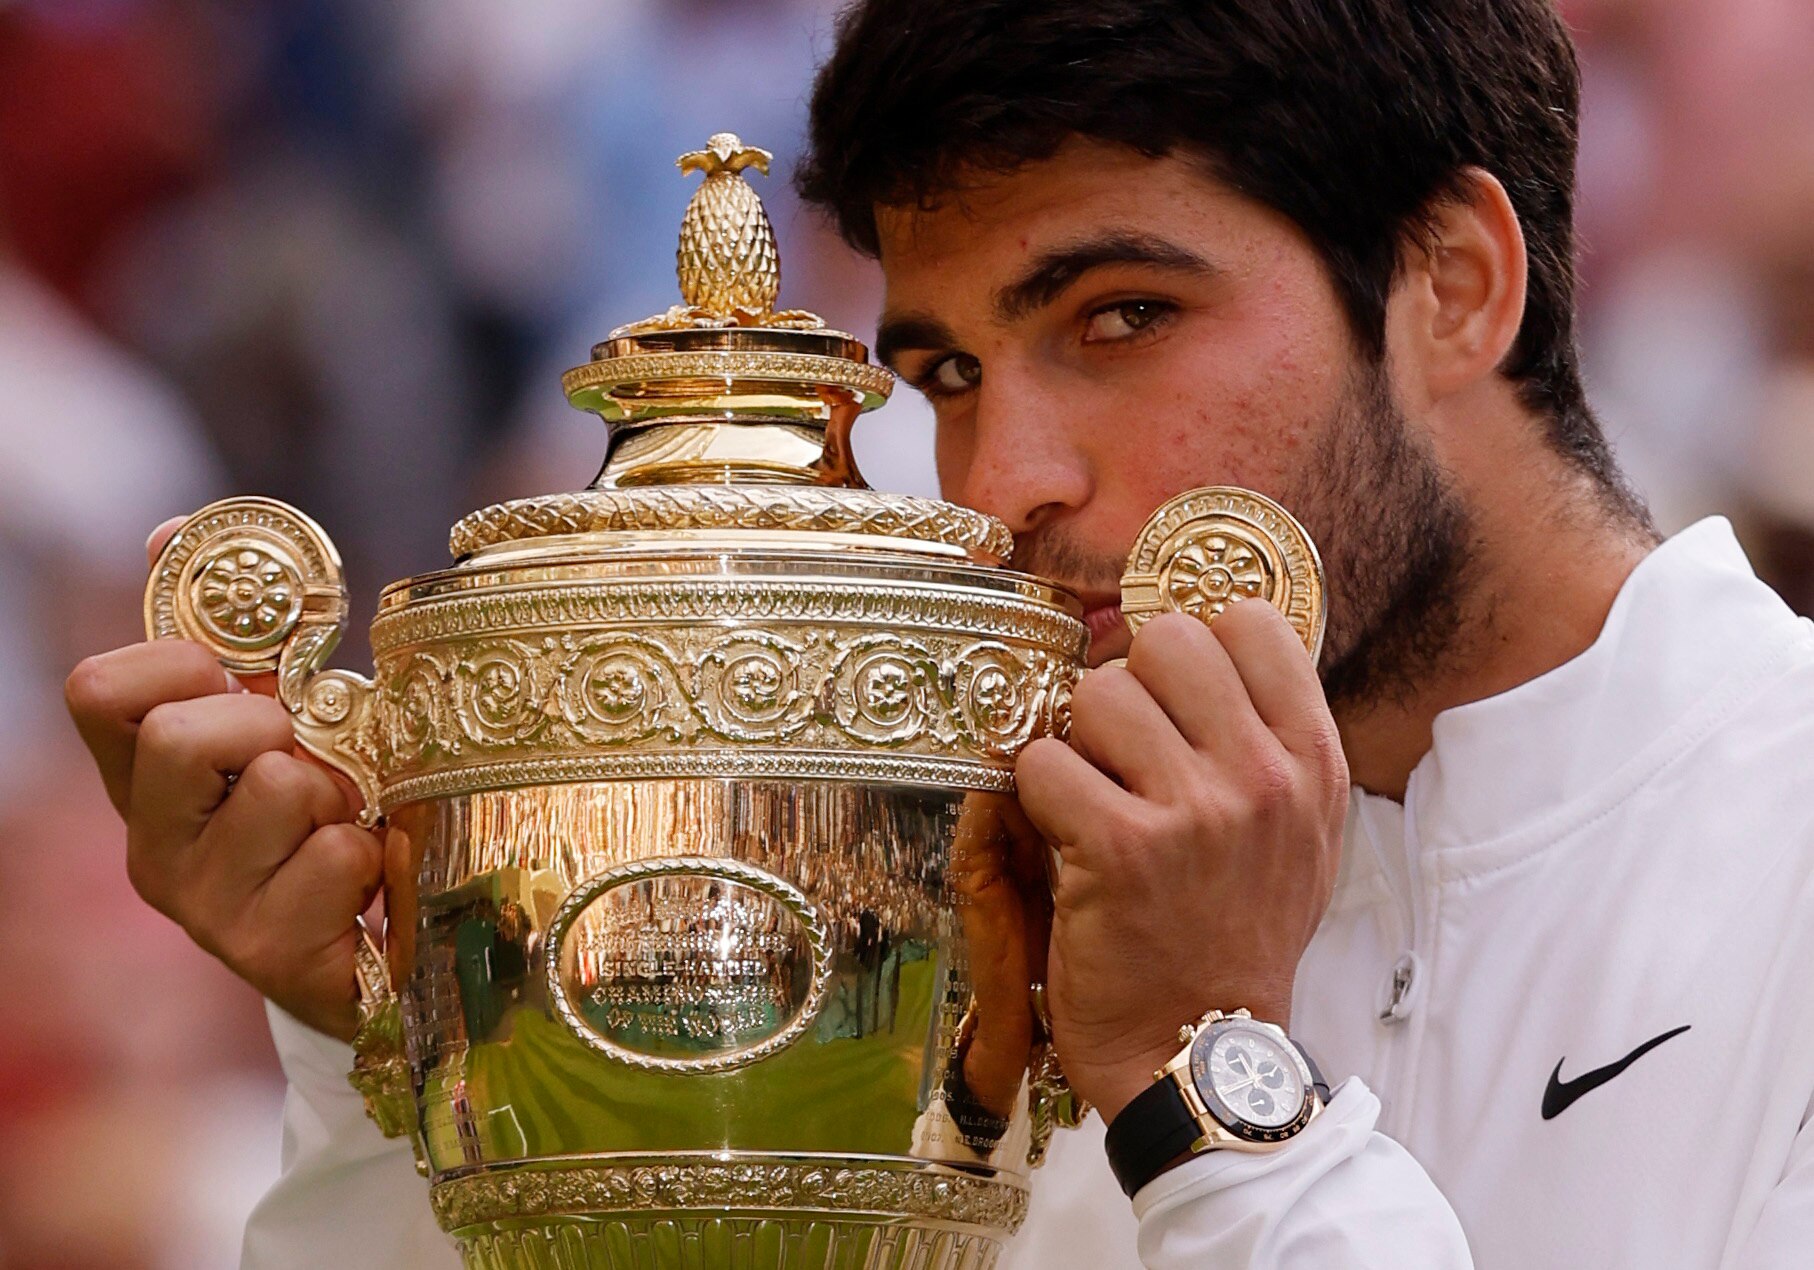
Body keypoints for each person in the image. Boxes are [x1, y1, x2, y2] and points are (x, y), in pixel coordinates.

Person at [63, 1, 1814, 1266]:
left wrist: (1209, 1085)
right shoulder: (985, 867)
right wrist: (402, 1042)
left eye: (1121, 316)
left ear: (1453, 283)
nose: (1004, 483)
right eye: (949, 371)